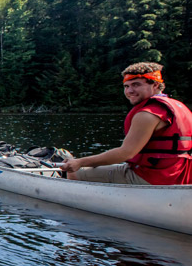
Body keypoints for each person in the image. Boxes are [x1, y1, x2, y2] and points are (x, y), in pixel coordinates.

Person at [61, 62, 192, 185]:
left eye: (136, 85)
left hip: (152, 177)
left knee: (75, 171)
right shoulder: (180, 107)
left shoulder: (147, 114)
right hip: (181, 176)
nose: (129, 91)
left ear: (155, 85)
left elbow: (126, 153)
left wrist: (80, 162)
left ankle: (96, 207)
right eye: (126, 86)